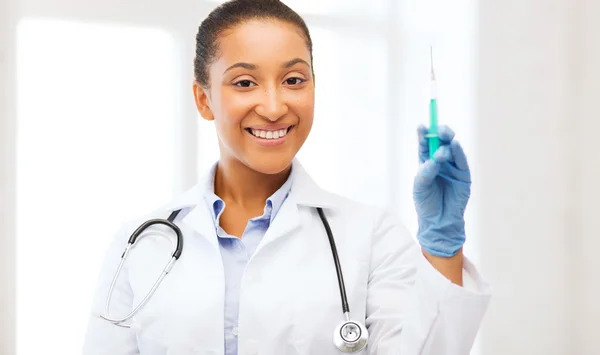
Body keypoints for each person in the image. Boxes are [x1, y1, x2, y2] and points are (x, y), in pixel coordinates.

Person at [82, 0, 491, 354]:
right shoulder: (142, 244)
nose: (275, 107)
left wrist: (442, 244)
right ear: (203, 99)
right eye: (245, 83)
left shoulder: (372, 236)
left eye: (294, 80)